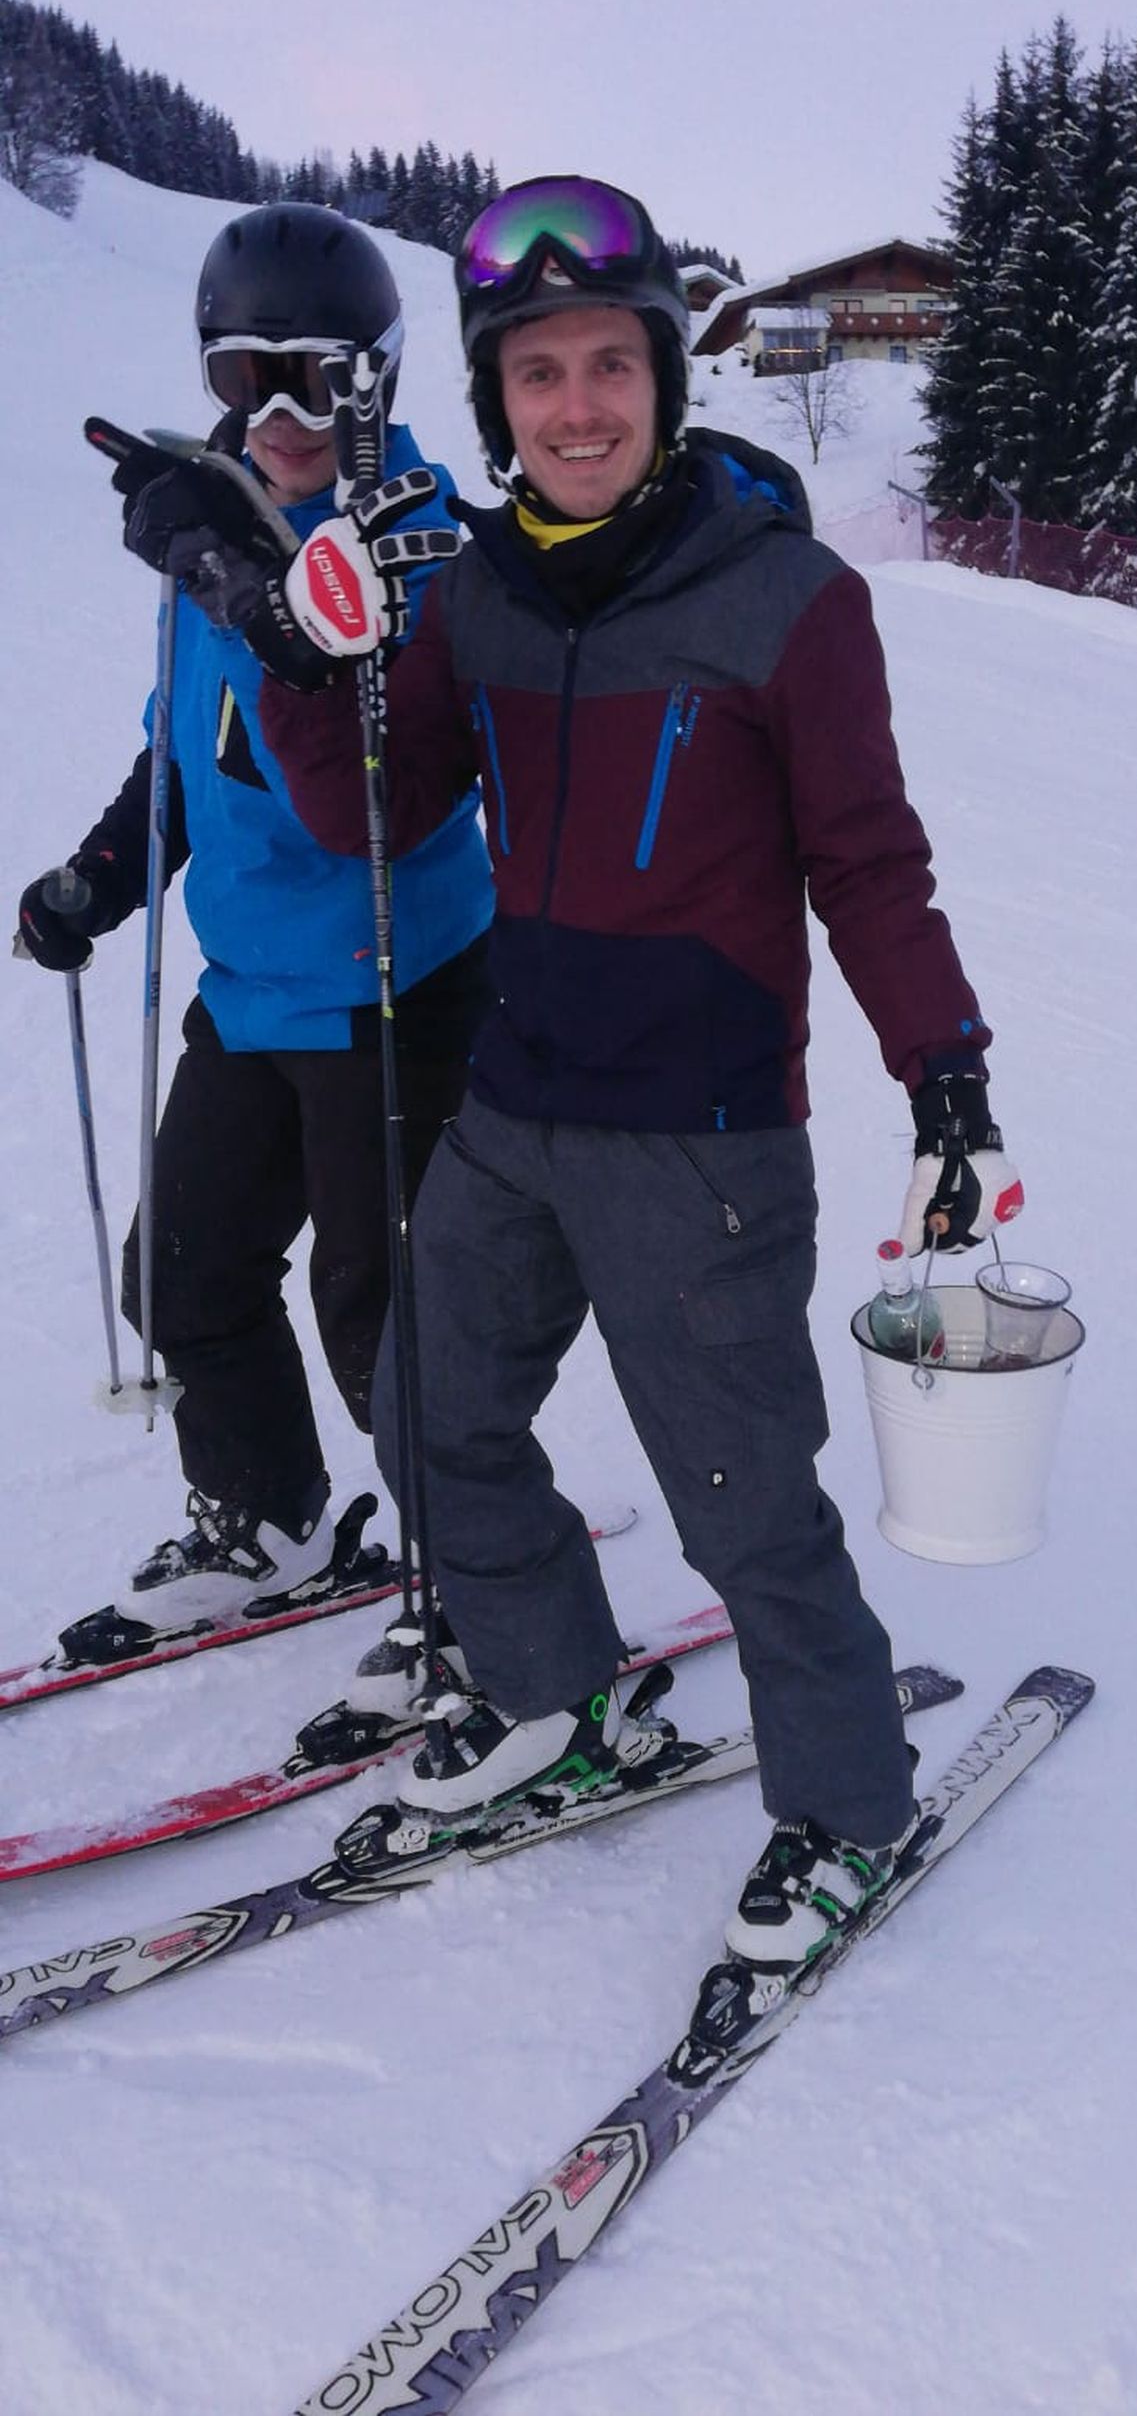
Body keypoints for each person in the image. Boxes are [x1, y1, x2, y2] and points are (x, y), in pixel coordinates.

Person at [127, 175, 1024, 1971]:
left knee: (743, 1505)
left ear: (666, 382)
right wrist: (284, 638)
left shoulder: (788, 602)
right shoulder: (481, 597)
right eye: (537, 374)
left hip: (701, 1144)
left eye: (612, 364)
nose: (579, 406)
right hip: (513, 1110)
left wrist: (944, 1073)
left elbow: (870, 863)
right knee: (428, 1413)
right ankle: (559, 1695)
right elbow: (375, 815)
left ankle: (851, 1809)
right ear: (495, 401)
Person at [15, 203, 492, 1636]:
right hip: (253, 989)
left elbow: (374, 796)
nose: (282, 419)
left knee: (387, 1320)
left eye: (319, 382)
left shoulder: (420, 547)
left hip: (396, 989)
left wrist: (236, 584)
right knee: (184, 1274)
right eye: (247, 379)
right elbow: (183, 753)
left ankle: (488, 1585)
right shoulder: (211, 521)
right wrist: (104, 873)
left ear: (378, 379)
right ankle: (268, 1516)